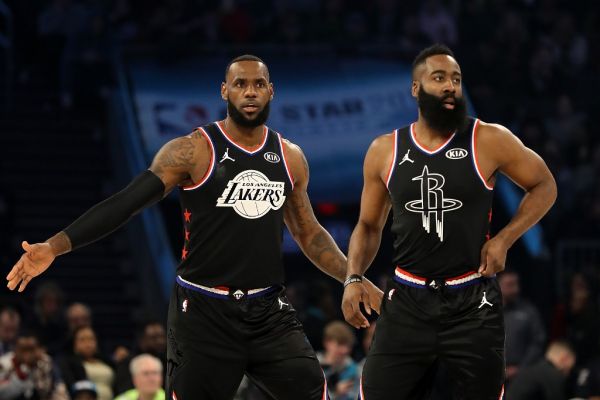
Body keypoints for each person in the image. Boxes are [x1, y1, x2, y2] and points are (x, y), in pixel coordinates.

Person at [6, 54, 383, 399]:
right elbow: (127, 202)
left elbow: (309, 232)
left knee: (312, 390)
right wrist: (54, 246)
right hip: (202, 310)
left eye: (258, 84)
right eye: (240, 84)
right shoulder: (193, 150)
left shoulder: (290, 157)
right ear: (224, 91)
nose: (249, 92)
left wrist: (351, 275)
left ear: (271, 91)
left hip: (267, 309)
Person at [342, 44, 557, 399]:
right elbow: (368, 226)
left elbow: (544, 185)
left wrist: (505, 238)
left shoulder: (488, 138)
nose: (449, 87)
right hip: (408, 300)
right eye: (439, 78)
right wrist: (353, 277)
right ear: (416, 88)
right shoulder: (385, 149)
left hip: (472, 300)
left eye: (456, 80)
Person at [498, 269, 546, 382]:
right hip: (490, 373)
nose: (516, 289)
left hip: (521, 374)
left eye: (517, 284)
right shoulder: (486, 310)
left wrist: (520, 368)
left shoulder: (528, 311)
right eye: (510, 285)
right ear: (497, 284)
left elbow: (537, 342)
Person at [0, 332, 69, 400]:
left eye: (31, 349)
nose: (27, 354)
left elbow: (55, 388)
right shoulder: (4, 363)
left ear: (39, 349)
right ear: (16, 349)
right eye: (23, 350)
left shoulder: (46, 362)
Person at [58, 326, 114, 400]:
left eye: (91, 339)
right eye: (82, 340)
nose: (88, 344)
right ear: (74, 344)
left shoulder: (107, 361)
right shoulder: (69, 363)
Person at [506, 341, 576, 400]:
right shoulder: (553, 375)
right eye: (569, 368)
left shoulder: (535, 368)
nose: (568, 374)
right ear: (564, 359)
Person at [317, 321, 361, 400]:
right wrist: (335, 392)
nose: (345, 350)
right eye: (340, 344)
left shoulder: (354, 369)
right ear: (327, 342)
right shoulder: (314, 365)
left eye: (348, 345)